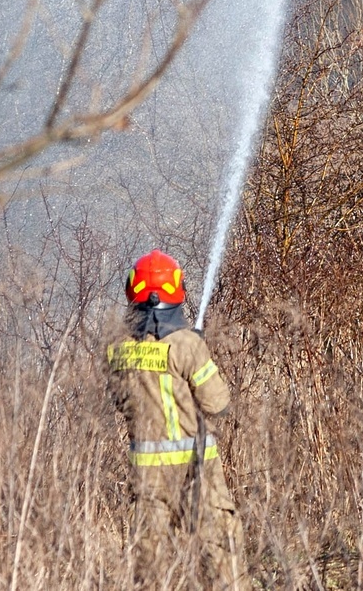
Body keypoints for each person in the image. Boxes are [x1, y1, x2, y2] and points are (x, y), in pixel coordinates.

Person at [106, 249, 248, 590]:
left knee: (149, 559)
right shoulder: (186, 345)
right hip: (196, 468)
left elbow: (121, 402)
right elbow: (217, 404)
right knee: (220, 548)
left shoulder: (117, 348)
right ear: (175, 290)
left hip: (147, 474)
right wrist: (198, 353)